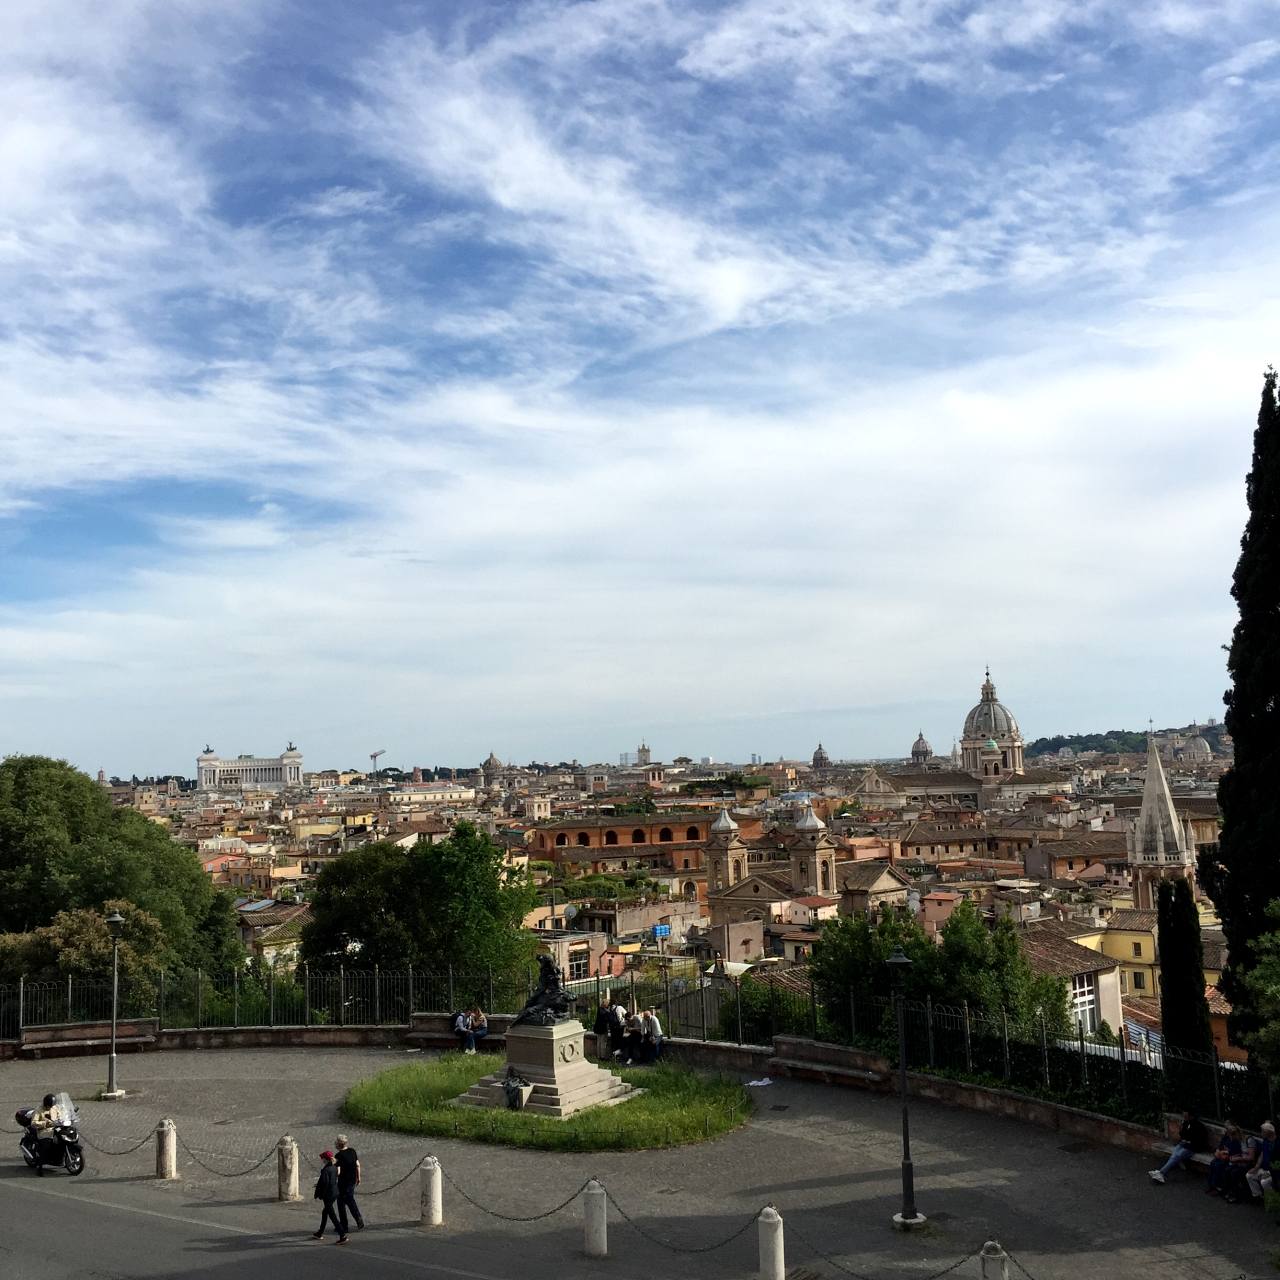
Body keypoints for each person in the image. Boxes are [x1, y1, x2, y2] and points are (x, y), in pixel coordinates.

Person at [1149, 1110, 1208, 1183]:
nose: (1184, 1118)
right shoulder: (1186, 1123)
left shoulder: (1199, 1126)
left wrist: (1188, 1140)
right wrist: (1182, 1130)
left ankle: (1161, 1173)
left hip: (1193, 1147)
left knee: (1177, 1155)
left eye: (1186, 1116)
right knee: (1175, 1153)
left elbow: (1198, 1140)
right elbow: (1183, 1135)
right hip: (1185, 1144)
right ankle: (1161, 1172)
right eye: (1184, 1116)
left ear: (1191, 1116)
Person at [312, 1150, 346, 1243]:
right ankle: (320, 1232)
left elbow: (324, 1183)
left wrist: (319, 1194)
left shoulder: (326, 1170)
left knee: (332, 1215)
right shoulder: (334, 1167)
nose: (321, 1160)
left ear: (325, 1160)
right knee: (325, 1212)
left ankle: (342, 1235)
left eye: (322, 1158)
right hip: (335, 1193)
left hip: (328, 1195)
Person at [334, 1134, 364, 1234]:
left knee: (341, 1203)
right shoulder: (352, 1151)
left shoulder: (338, 1156)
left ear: (338, 1144)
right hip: (352, 1180)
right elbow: (357, 1165)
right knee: (350, 1199)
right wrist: (358, 1177)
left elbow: (338, 1172)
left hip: (343, 1183)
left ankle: (344, 1225)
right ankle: (358, 1219)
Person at [1207, 1122, 1245, 1198]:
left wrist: (1222, 1153)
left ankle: (1219, 1187)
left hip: (1229, 1159)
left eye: (1227, 1129)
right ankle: (1211, 1186)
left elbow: (1233, 1153)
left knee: (1219, 1165)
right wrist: (1218, 1151)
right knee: (1213, 1163)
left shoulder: (1236, 1140)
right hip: (1221, 1156)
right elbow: (1220, 1146)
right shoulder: (1226, 1137)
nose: (1226, 1131)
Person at [1246, 1122, 1276, 1204]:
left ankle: (1273, 1200)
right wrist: (1256, 1167)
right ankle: (1258, 1196)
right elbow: (1262, 1155)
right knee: (1249, 1175)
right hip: (1264, 1168)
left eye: (1263, 1131)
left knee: (1264, 1181)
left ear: (1268, 1132)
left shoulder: (1277, 1143)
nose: (1261, 1133)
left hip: (1274, 1171)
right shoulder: (1265, 1141)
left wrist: (1270, 1173)